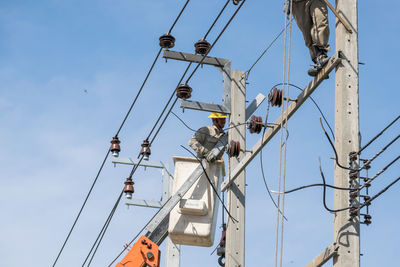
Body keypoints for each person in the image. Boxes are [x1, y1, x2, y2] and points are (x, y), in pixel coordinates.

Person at [287, 0, 330, 76]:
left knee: (319, 21)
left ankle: (321, 54)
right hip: (297, 3)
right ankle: (317, 60)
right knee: (307, 35)